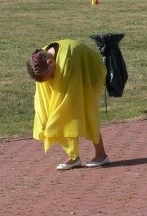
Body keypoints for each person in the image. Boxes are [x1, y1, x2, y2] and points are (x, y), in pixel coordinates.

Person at [27, 39, 109, 170]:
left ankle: (101, 155)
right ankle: (74, 156)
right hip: (71, 72)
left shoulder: (67, 59)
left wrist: (54, 122)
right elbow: (43, 98)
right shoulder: (40, 60)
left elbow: (65, 104)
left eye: (51, 75)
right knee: (67, 113)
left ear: (50, 63)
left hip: (89, 71)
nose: (52, 79)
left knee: (84, 111)